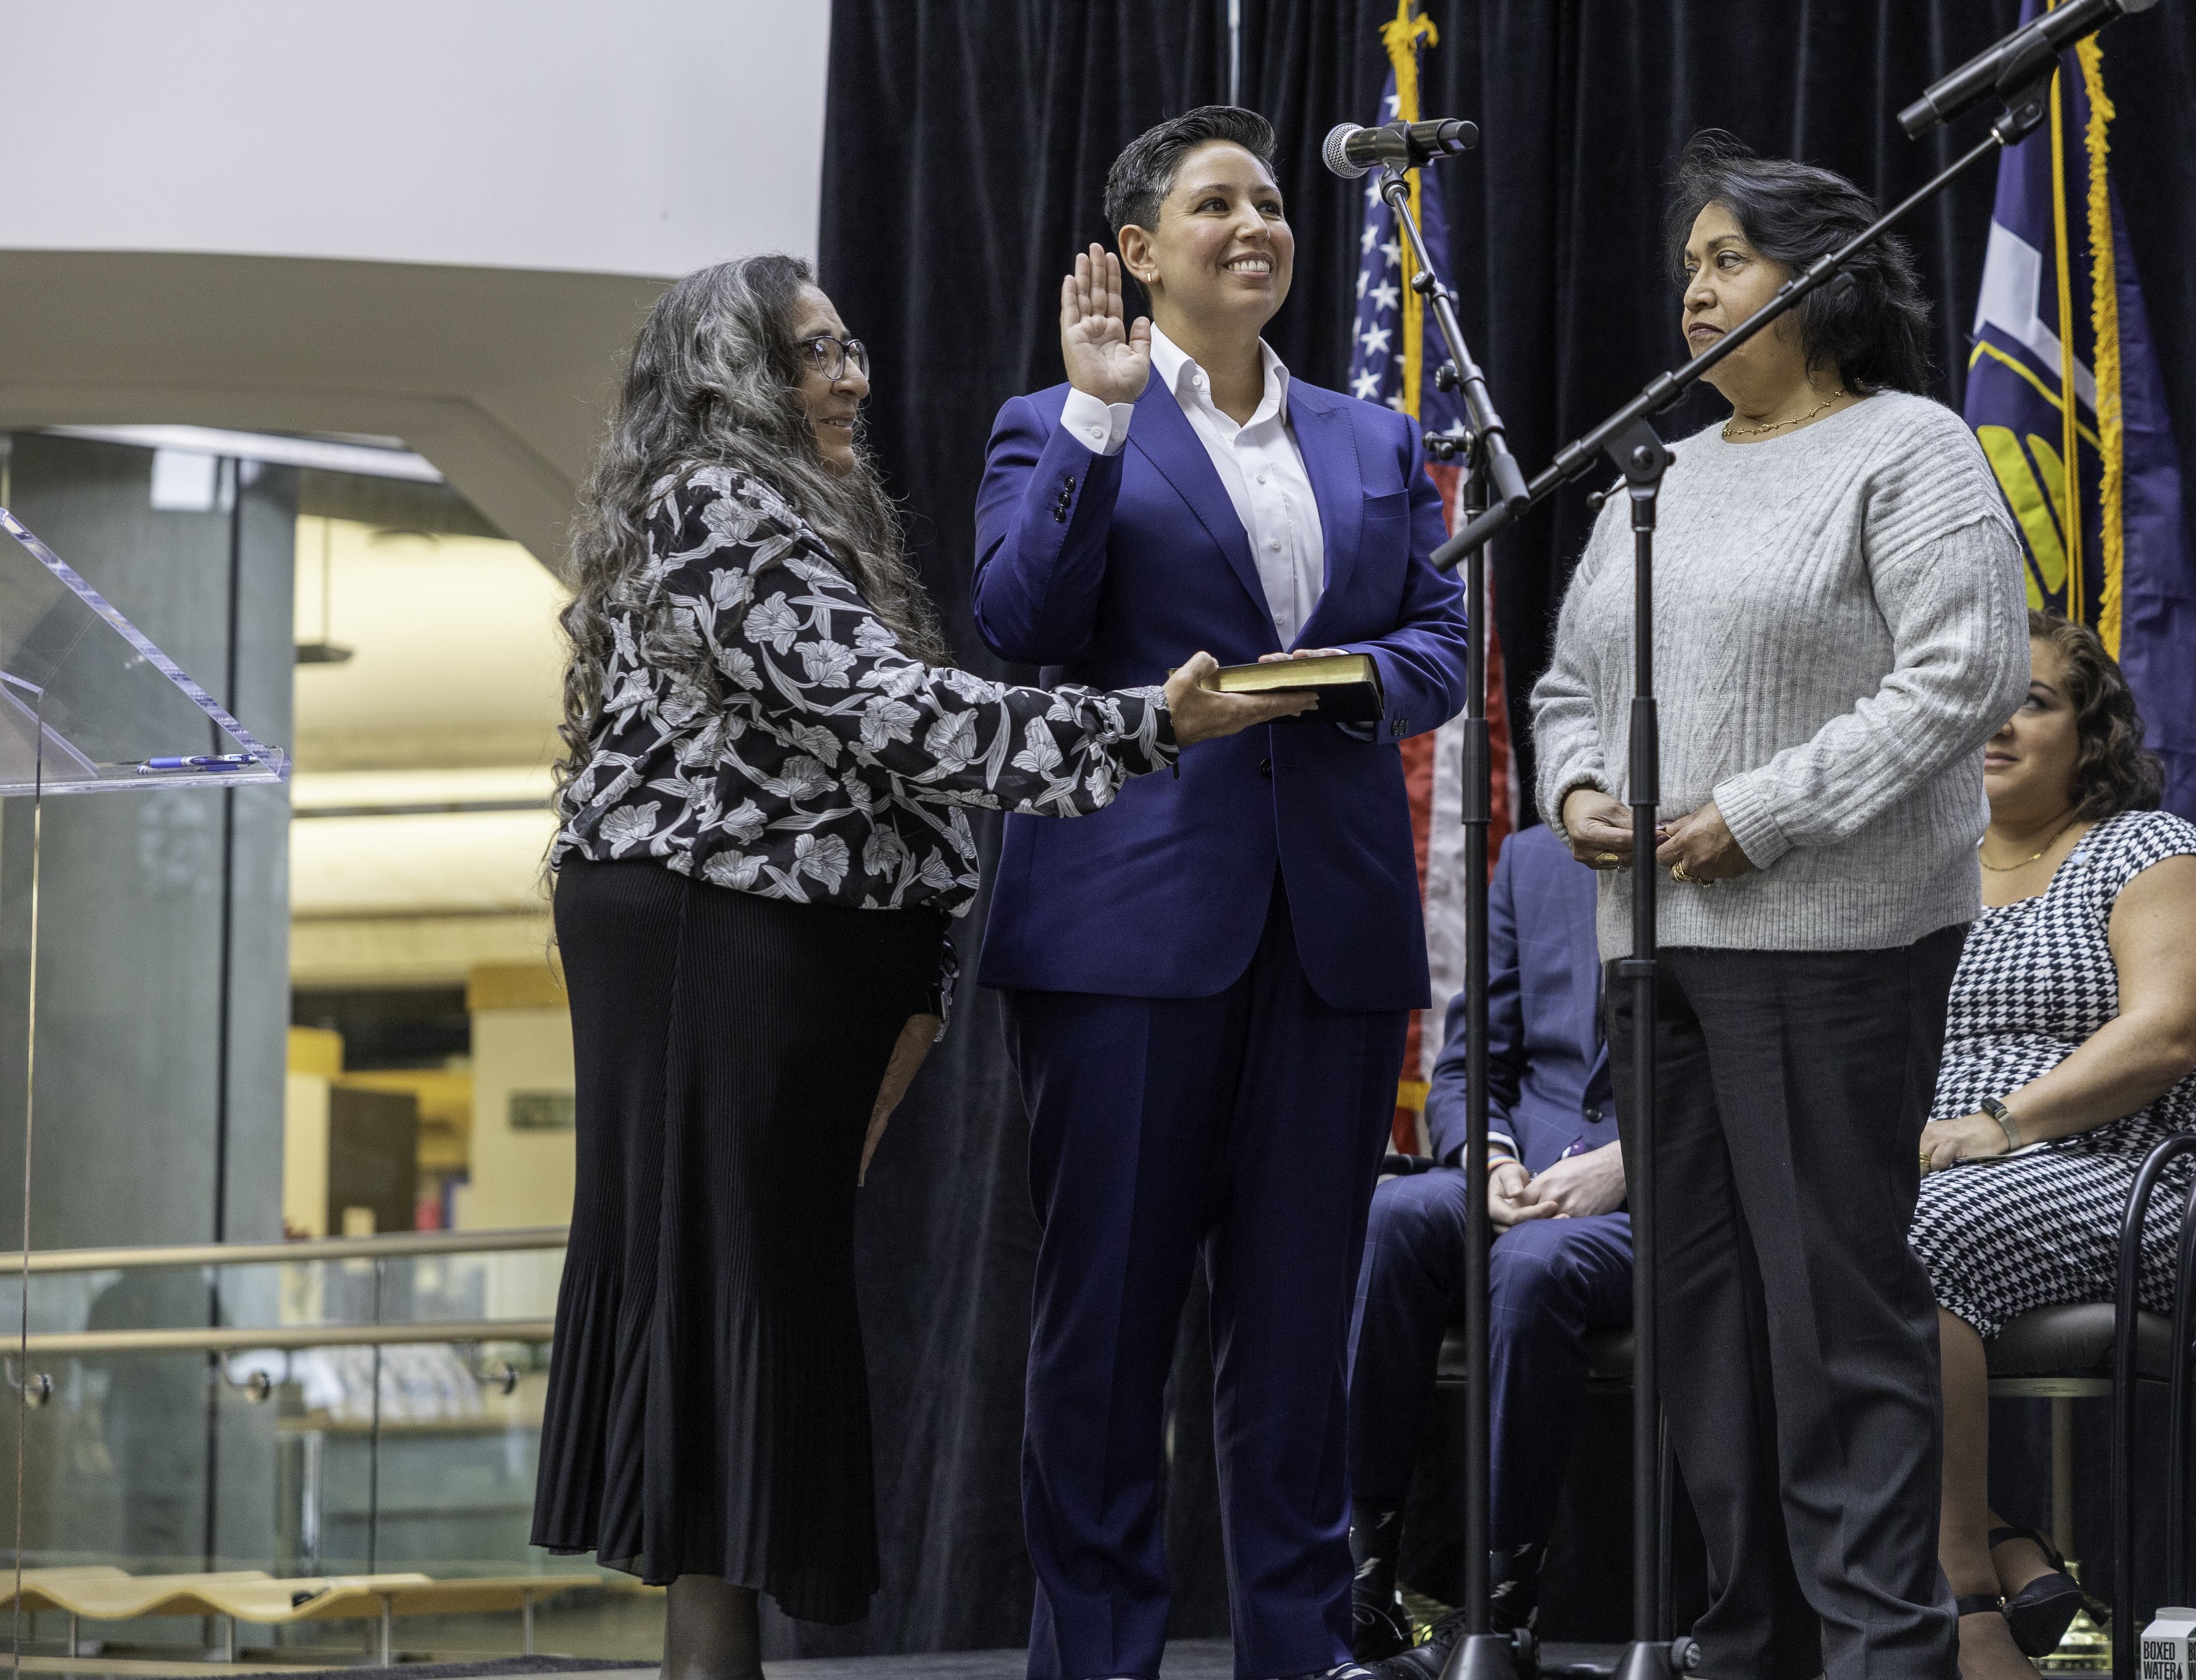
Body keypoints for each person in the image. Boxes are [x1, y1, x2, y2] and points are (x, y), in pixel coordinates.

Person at [532, 253, 1294, 1677]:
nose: (850, 379)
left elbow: (890, 778)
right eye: (814, 355)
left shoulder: (803, 511)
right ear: (733, 380)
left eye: (851, 348)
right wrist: (1143, 725)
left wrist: (920, 989)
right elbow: (889, 716)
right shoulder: (716, 501)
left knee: (755, 1297)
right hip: (710, 936)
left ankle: (718, 1654)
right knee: (725, 1293)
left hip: (775, 946)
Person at [970, 106, 1468, 1680]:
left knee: (1300, 1333)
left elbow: (1442, 644)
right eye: (1215, 205)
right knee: (1108, 1331)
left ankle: (1299, 1655)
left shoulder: (1376, 439)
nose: (1257, 224)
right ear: (1137, 252)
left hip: (1331, 939)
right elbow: (1021, 622)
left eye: (1270, 202)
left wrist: (1346, 681)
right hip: (1124, 938)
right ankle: (1098, 1660)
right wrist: (1097, 421)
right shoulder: (1052, 421)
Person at [1529, 132, 2030, 1680]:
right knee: (1701, 1326)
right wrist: (1575, 790)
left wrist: (1764, 813)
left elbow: (1967, 672)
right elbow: (1568, 683)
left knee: (1833, 1319)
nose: (1693, 290)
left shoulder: (1909, 449)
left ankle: (1883, 1652)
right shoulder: (1655, 475)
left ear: (1822, 282)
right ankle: (1746, 1642)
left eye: (1728, 259)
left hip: (1832, 948)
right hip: (1654, 951)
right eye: (1688, 265)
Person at [1911, 614, 2196, 1680]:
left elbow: (2167, 1034)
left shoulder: (2148, 850)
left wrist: (2001, 1125)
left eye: (2033, 701)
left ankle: (1968, 1600)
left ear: (2089, 731)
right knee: (1759, 1235)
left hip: (2138, 1179)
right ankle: (2009, 1546)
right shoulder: (1917, 867)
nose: (1998, 724)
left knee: (1906, 1234)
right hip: (1933, 1175)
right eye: (1978, 702)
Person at [1347, 825, 1627, 1658]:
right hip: (1522, 1169)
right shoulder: (1534, 857)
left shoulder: (1719, 847)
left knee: (1535, 1264)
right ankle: (1362, 1589)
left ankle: (1501, 1617)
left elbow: (1754, 1077)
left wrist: (1627, 1164)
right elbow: (1469, 1070)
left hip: (1661, 1192)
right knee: (1395, 1215)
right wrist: (1492, 1159)